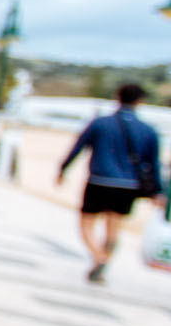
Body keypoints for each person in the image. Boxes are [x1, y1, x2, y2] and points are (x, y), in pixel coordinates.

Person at [57, 83, 164, 283]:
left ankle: (98, 256)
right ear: (140, 101)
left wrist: (63, 168)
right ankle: (104, 263)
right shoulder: (148, 130)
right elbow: (154, 163)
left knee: (86, 223)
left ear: (117, 96)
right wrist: (159, 191)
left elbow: (78, 147)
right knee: (114, 228)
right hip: (128, 186)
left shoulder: (100, 123)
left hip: (99, 181)